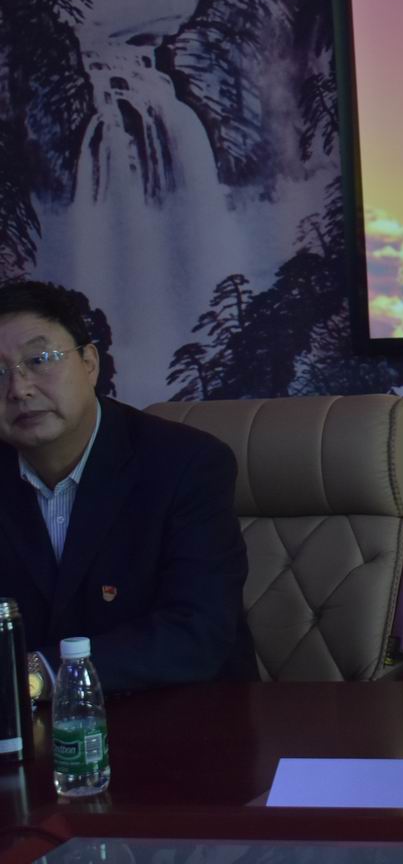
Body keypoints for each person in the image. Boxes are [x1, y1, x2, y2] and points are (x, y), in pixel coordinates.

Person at [0, 279, 256, 693]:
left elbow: (197, 631)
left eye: (40, 359)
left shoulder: (186, 464)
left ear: (89, 363)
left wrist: (37, 674)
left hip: (184, 715)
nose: (19, 389)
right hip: (30, 724)